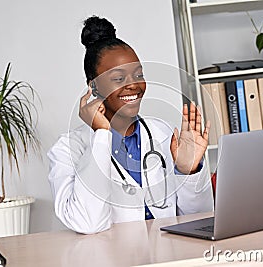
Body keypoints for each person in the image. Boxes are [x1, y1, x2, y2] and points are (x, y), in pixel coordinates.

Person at [47, 15, 213, 234]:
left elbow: (200, 215)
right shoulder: (67, 150)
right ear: (94, 86)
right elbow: (87, 223)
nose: (133, 85)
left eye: (138, 74)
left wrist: (188, 171)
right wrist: (101, 135)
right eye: (118, 78)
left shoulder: (163, 133)